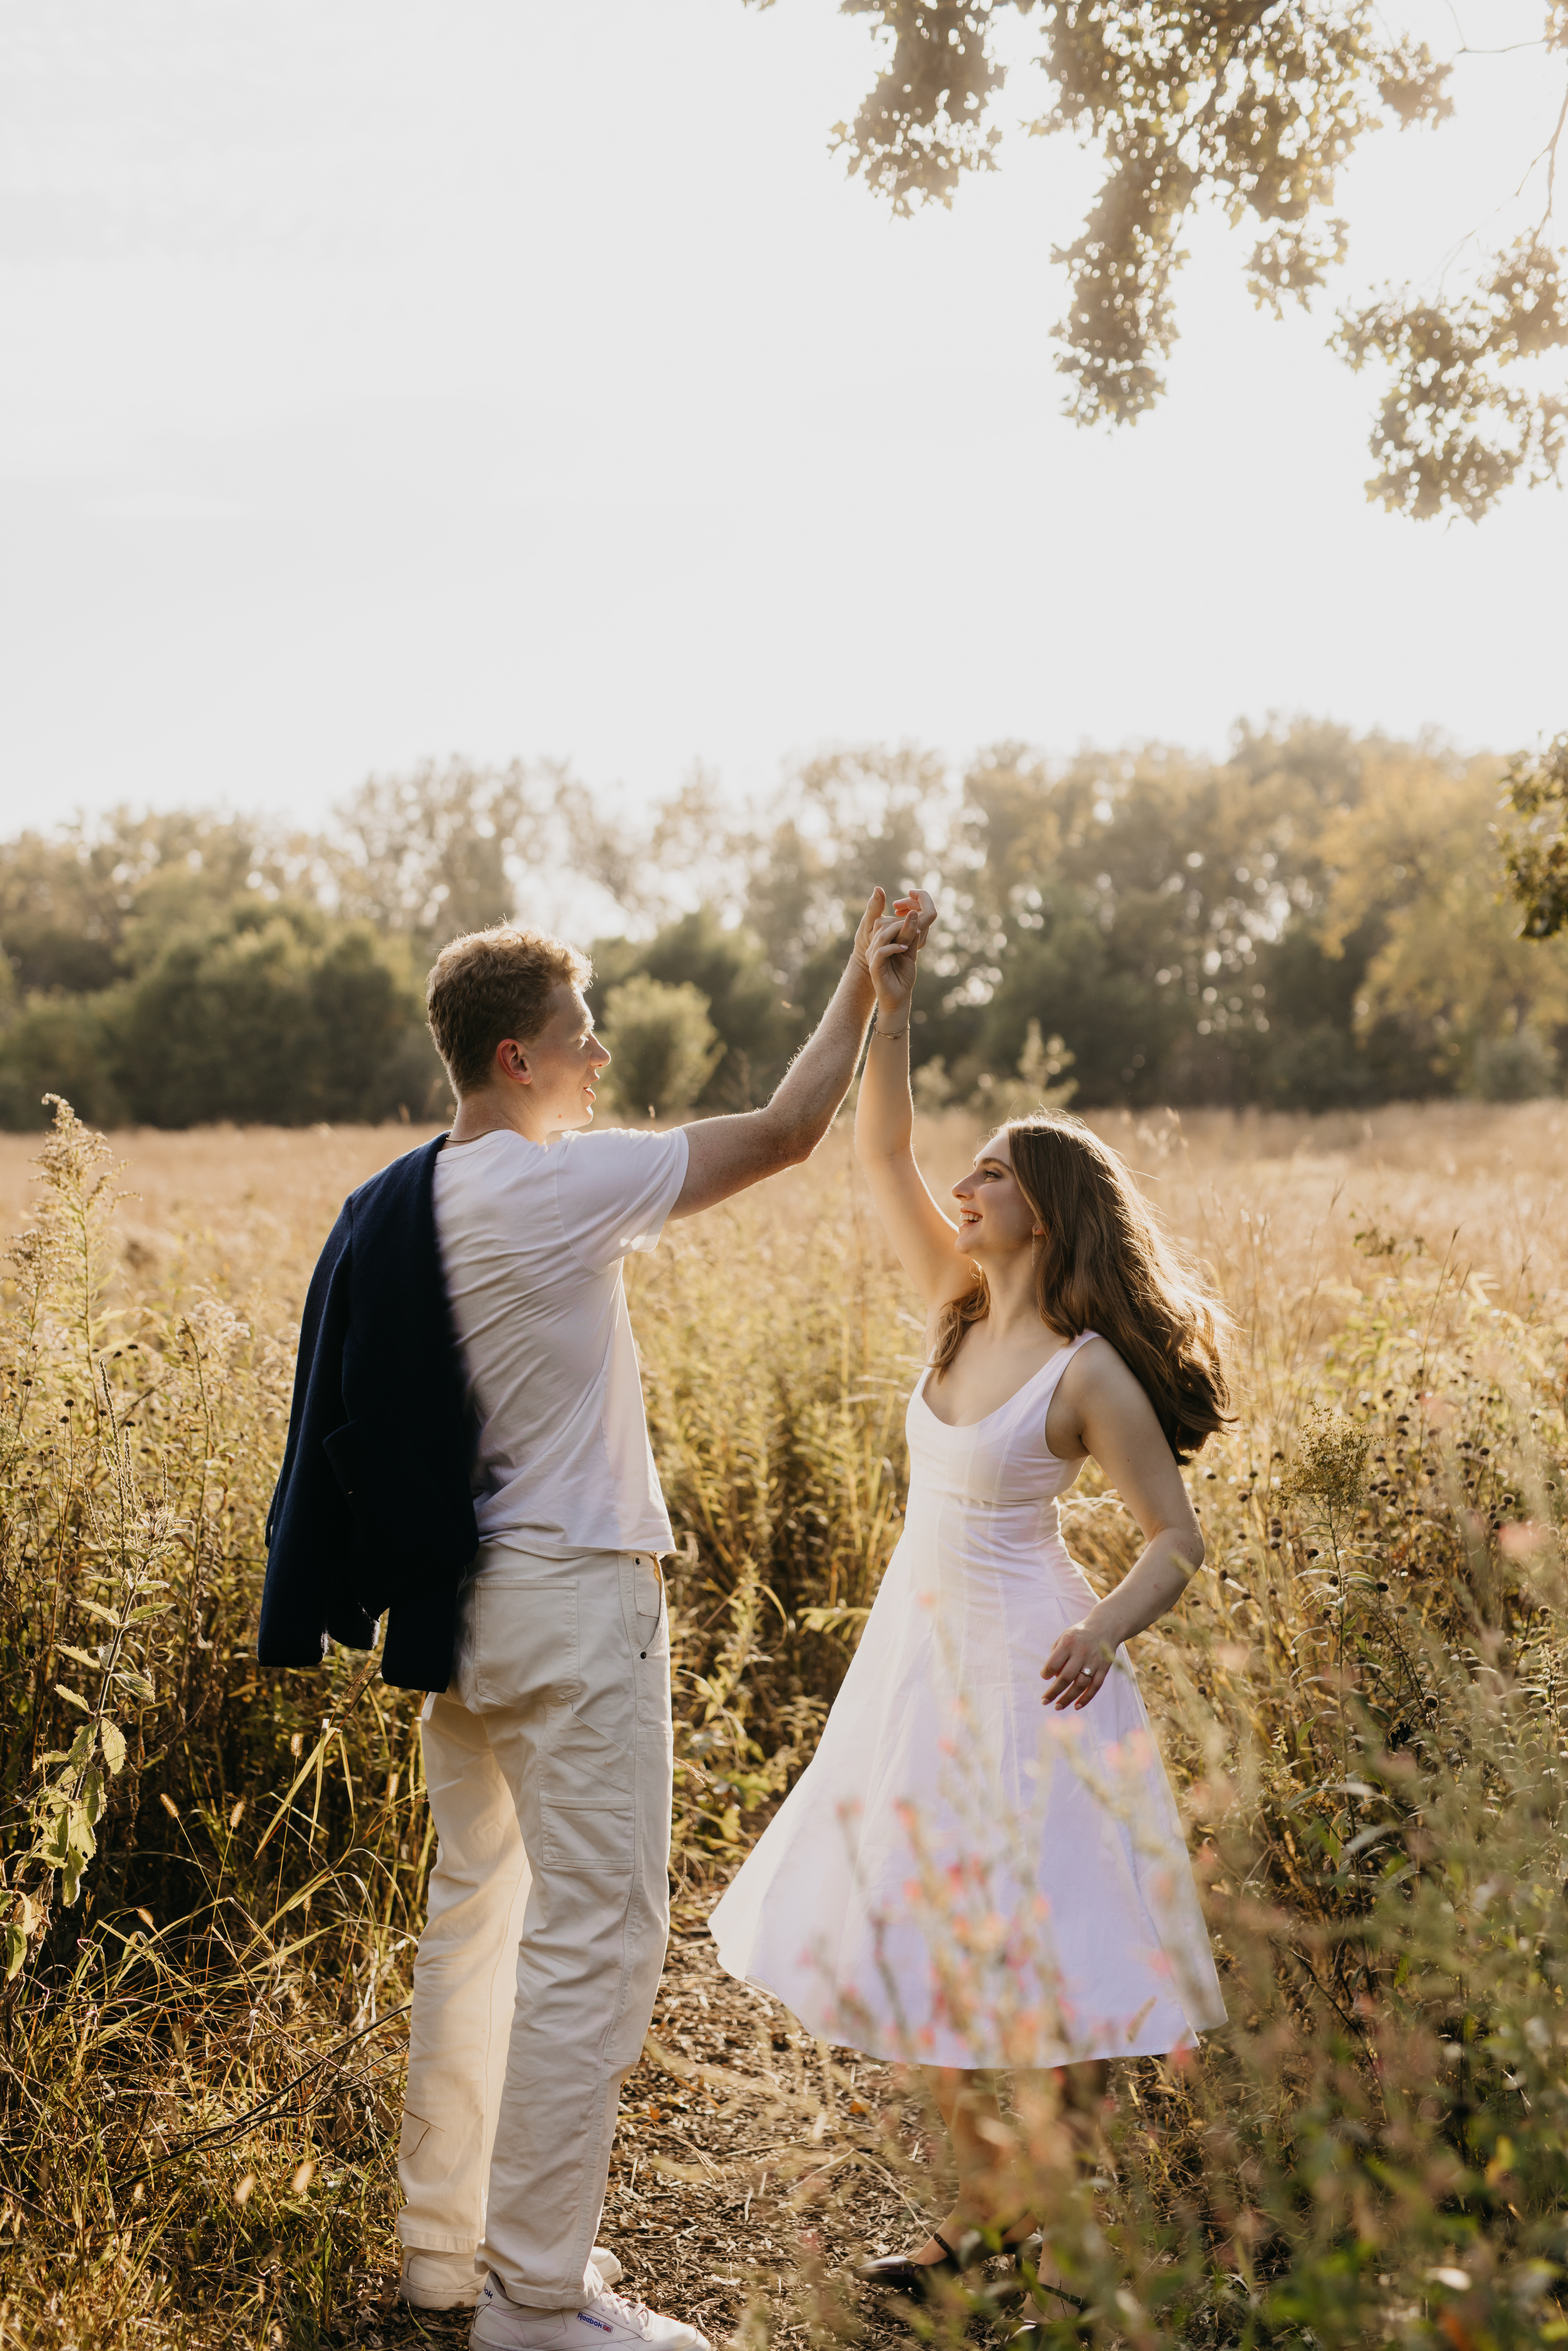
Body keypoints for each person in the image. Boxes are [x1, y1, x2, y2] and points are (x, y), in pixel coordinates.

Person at [372, 896, 924, 2351]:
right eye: (579, 1034)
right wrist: (863, 984)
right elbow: (793, 1126)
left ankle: (448, 2257)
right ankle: (542, 2297)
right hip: (571, 1603)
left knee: (476, 1921)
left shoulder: (414, 1193)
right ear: (516, 1057)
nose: (601, 1052)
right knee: (596, 1939)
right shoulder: (556, 1184)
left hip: (468, 1610)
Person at [708, 887, 1230, 2302]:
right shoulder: (952, 1306)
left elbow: (1173, 1537)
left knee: (1045, 1959)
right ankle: (997, 2216)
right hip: (915, 1667)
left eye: (994, 1174)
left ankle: (1019, 2225)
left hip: (1030, 1669)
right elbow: (880, 1145)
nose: (967, 1186)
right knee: (925, 1936)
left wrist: (1102, 1626)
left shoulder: (1087, 1372)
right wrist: (893, 989)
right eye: (976, 1168)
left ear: (1048, 1208)